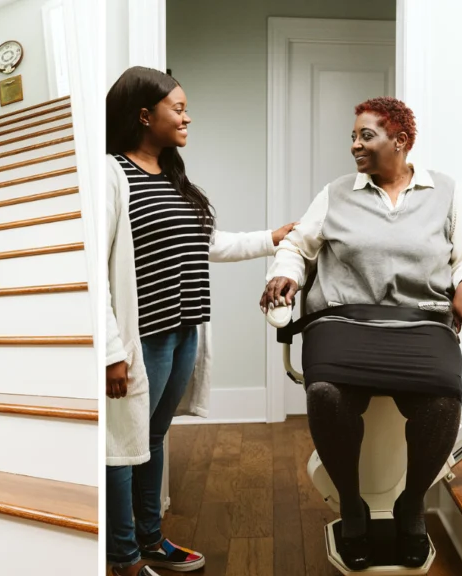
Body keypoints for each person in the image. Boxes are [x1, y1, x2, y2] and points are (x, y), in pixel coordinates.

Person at [261, 96, 462, 570]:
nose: (354, 146)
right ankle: (351, 504)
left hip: (421, 323)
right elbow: (298, 247)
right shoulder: (337, 193)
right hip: (344, 321)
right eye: (353, 136)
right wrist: (283, 273)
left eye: (365, 136)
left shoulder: (444, 193)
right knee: (326, 393)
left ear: (400, 141)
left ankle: (411, 506)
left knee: (443, 401)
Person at [105, 66, 295, 576]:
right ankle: (122, 558)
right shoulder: (110, 175)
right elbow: (94, 271)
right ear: (145, 115)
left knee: (152, 437)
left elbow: (208, 243)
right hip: (140, 338)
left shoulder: (172, 177)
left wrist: (272, 237)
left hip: (184, 329)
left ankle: (150, 540)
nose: (188, 116)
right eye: (179, 108)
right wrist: (110, 353)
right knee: (123, 446)